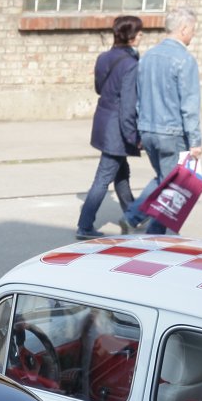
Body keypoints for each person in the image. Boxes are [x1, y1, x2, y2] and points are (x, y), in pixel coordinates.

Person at [124, 7, 202, 235]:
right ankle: (155, 235)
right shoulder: (184, 60)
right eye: (192, 30)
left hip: (148, 129)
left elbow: (139, 97)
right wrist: (195, 141)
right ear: (184, 29)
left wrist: (140, 129)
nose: (193, 35)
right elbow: (189, 105)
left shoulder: (148, 56)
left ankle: (134, 217)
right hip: (172, 133)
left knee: (164, 179)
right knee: (174, 186)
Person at [76, 15, 143, 240]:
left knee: (121, 172)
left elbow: (99, 88)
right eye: (139, 32)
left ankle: (133, 214)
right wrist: (133, 136)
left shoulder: (104, 58)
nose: (142, 36)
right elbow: (128, 105)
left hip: (104, 121)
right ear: (131, 36)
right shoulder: (131, 64)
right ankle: (85, 225)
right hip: (117, 127)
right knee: (104, 176)